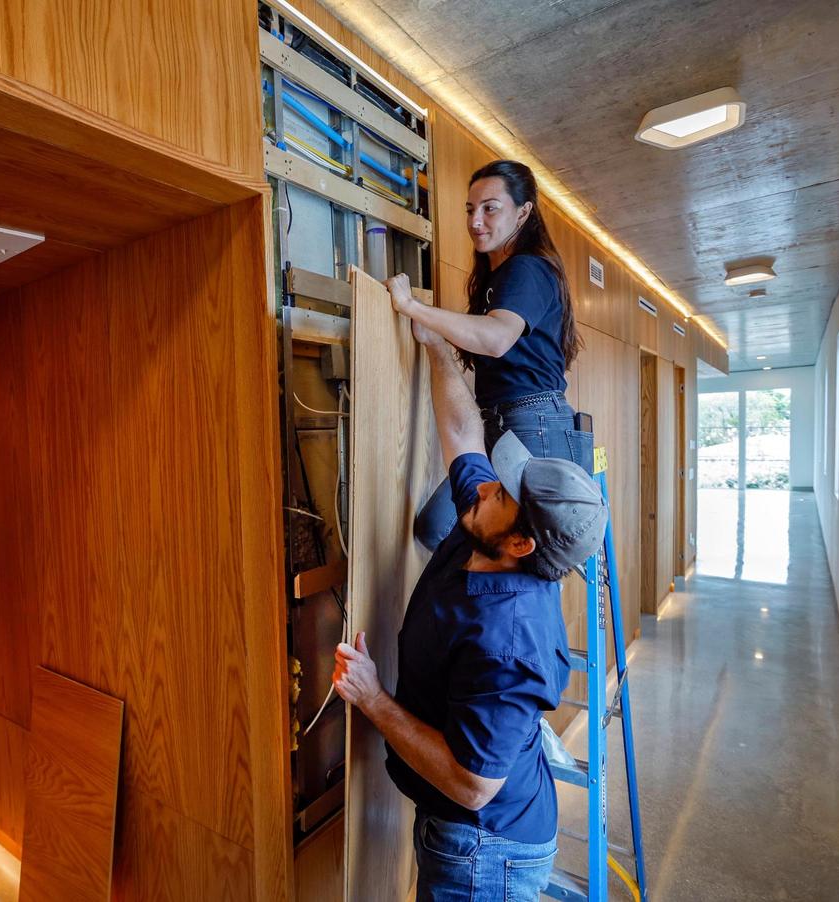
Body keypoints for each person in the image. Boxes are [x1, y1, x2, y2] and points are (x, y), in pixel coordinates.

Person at [332, 320, 608, 902]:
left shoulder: (508, 644)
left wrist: (373, 697)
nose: (485, 488)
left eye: (501, 494)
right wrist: (434, 341)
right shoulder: (485, 528)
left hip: (486, 854)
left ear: (522, 545)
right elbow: (463, 434)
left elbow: (472, 783)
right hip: (459, 832)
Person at [384, 159, 593, 549]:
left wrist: (411, 306)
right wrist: (434, 340)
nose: (476, 220)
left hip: (535, 424)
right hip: (498, 425)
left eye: (490, 208)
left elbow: (496, 338)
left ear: (524, 212)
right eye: (470, 209)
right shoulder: (496, 280)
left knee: (526, 555)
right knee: (437, 528)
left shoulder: (527, 269)